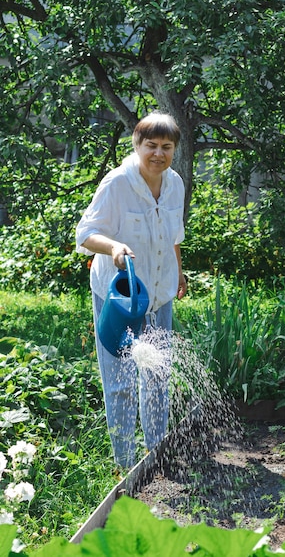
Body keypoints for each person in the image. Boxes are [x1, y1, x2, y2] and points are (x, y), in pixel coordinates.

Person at [75, 111, 187, 469]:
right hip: (119, 297)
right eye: (150, 145)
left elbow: (173, 236)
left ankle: (157, 455)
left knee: (157, 375)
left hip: (159, 293)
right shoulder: (117, 183)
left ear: (174, 150)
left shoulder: (175, 184)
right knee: (120, 376)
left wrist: (179, 273)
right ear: (137, 145)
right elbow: (85, 234)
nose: (158, 153)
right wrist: (113, 248)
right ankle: (125, 463)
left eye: (166, 147)